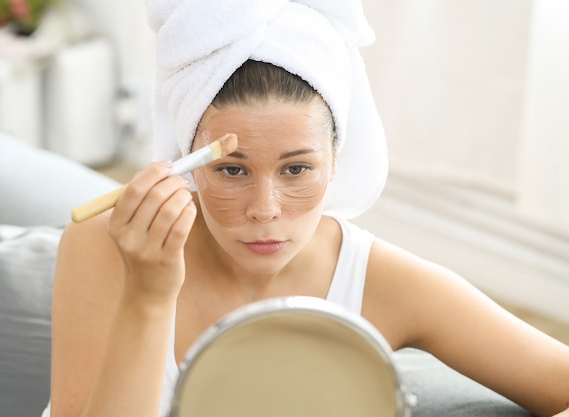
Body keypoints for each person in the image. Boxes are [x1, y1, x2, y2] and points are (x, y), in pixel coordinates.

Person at [44, 1, 569, 416]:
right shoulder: (105, 245)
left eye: (296, 169)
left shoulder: (384, 280)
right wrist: (149, 295)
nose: (265, 210)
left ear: (336, 160)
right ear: (186, 160)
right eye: (232, 169)